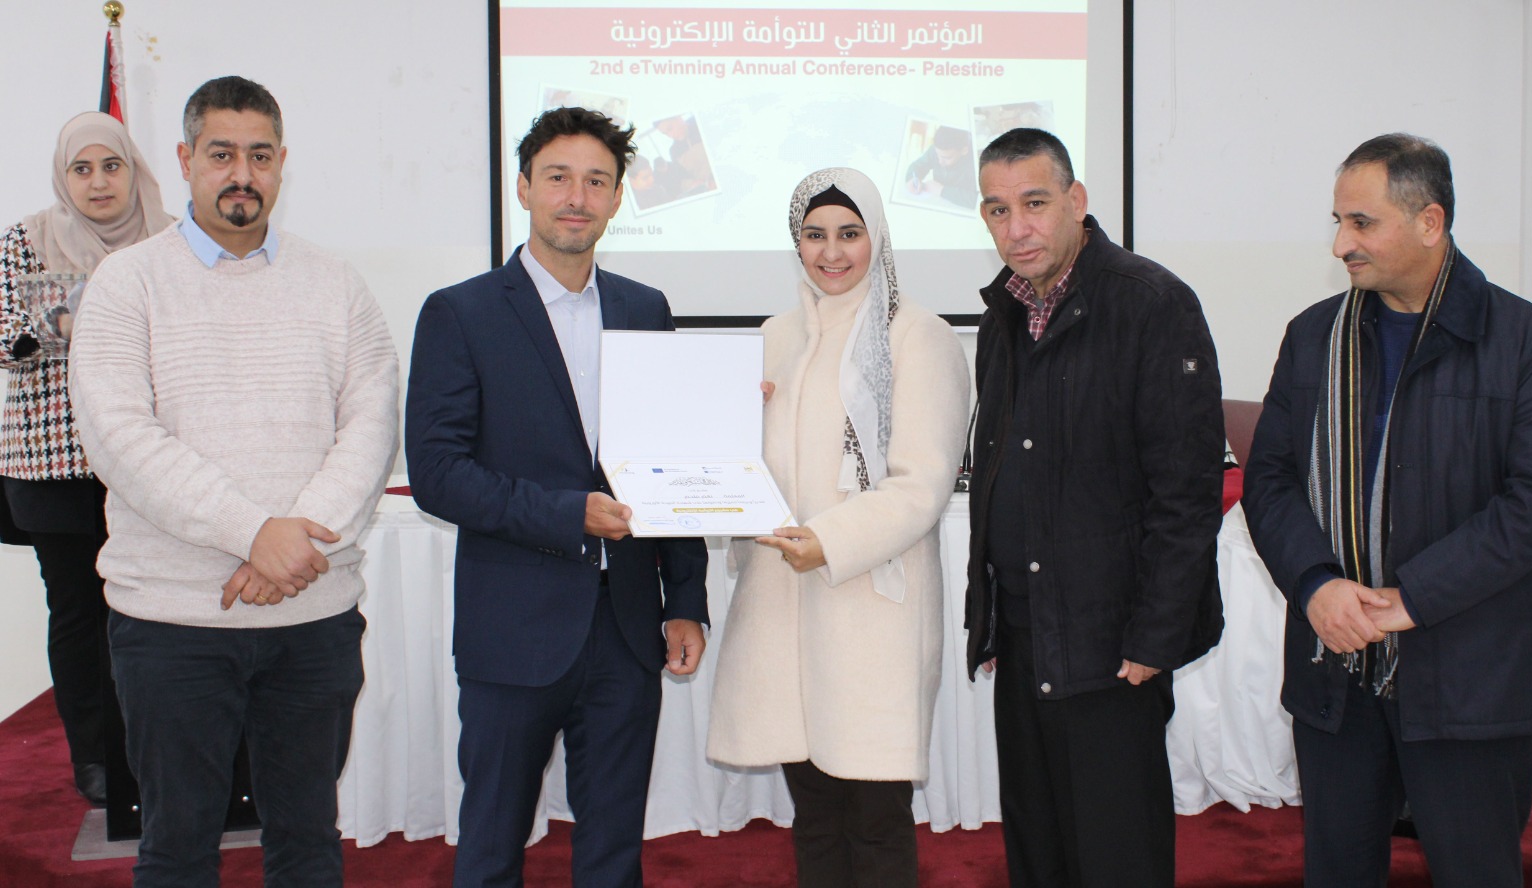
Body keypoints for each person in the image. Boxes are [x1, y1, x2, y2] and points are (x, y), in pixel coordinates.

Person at [67, 76, 399, 885]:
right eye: (221, 155)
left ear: (282, 162)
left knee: (308, 842)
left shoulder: (337, 283)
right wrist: (253, 534)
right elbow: (119, 438)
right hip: (172, 625)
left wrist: (292, 544)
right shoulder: (127, 283)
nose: (241, 174)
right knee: (177, 848)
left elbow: (372, 423)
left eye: (259, 155)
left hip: (312, 619)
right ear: (186, 161)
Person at [1241, 133, 1532, 887]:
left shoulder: (1530, 341)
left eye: (1361, 223)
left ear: (1430, 222)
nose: (1341, 244)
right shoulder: (1313, 336)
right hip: (1336, 672)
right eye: (1338, 221)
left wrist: (1411, 599)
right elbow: (1269, 480)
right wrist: (1316, 585)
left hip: (1472, 680)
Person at [405, 106, 710, 888]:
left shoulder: (645, 307)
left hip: (627, 629)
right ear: (523, 188)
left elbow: (672, 462)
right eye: (559, 178)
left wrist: (685, 600)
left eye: (597, 182)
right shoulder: (460, 312)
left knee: (614, 852)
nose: (577, 197)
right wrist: (566, 514)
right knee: (492, 846)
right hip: (514, 626)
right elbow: (436, 472)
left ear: (617, 198)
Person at [964, 127, 1224, 887]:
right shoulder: (1004, 313)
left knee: (1116, 858)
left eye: (1034, 203)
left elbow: (1187, 495)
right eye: (998, 210)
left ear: (1076, 201)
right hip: (1026, 635)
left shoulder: (1152, 304)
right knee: (1038, 854)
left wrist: (1155, 638)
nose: (1017, 228)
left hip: (1115, 649)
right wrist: (992, 615)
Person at [705, 168, 969, 887]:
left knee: (875, 818)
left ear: (876, 236)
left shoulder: (917, 336)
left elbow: (922, 483)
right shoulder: (774, 336)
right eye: (814, 234)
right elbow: (745, 467)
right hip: (780, 607)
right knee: (815, 814)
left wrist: (831, 541)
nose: (831, 252)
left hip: (871, 610)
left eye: (849, 234)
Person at [0, 111, 171, 806]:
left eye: (112, 165)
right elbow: (6, 337)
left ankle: (163, 749)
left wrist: (82, 313)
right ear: (63, 176)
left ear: (134, 169)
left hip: (148, 464)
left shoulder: (169, 238)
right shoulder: (26, 241)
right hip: (56, 468)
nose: (98, 182)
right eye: (82, 168)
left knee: (158, 610)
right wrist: (73, 319)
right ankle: (95, 757)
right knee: (78, 613)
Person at [904, 126, 977, 209]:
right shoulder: (938, 149)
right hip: (937, 203)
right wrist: (912, 178)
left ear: (964, 151)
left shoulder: (977, 163)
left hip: (961, 210)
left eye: (947, 158)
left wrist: (942, 190)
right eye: (937, 155)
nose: (940, 161)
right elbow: (917, 166)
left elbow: (977, 200)